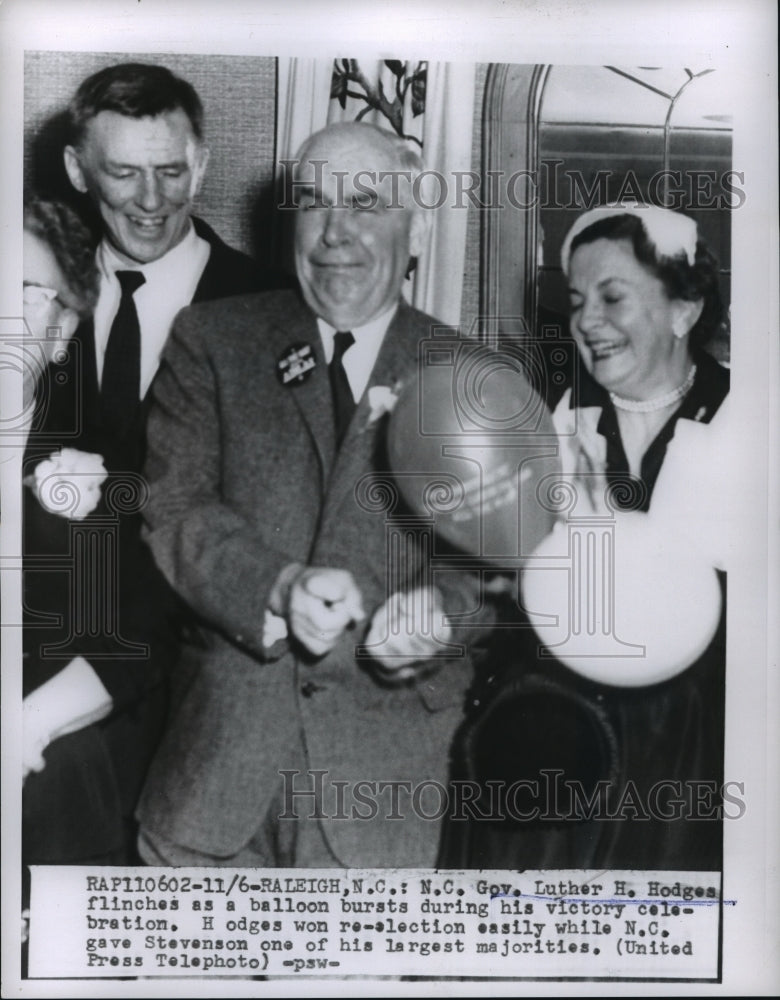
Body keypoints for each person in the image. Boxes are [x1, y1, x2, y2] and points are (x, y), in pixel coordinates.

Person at [136, 122, 488, 869]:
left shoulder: (470, 375)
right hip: (214, 785)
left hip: (387, 790)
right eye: (313, 204)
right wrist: (278, 586)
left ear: (417, 225)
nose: (335, 234)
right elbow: (175, 510)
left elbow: (497, 564)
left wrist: (443, 614)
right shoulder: (210, 340)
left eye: (365, 203)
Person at [23, 63, 285, 863]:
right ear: (77, 169)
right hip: (42, 680)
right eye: (123, 172)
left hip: (192, 708)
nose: (150, 199)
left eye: (171, 172)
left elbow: (261, 520)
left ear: (201, 164)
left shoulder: (269, 314)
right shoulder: (36, 287)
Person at [443, 204, 729, 871]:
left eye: (612, 297)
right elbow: (506, 597)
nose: (586, 322)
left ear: (685, 309)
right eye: (576, 301)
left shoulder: (749, 423)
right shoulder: (556, 426)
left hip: (691, 759)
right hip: (558, 749)